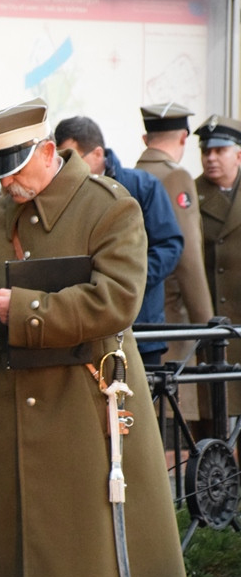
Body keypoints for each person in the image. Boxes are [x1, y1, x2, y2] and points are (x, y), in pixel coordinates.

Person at [0, 97, 193, 577]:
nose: (8, 185)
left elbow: (117, 299)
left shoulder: (110, 206)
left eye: (17, 170)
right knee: (25, 528)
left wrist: (22, 306)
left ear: (50, 152)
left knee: (106, 529)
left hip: (91, 394)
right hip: (19, 397)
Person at [54, 115, 183, 367]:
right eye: (61, 159)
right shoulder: (63, 193)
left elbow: (169, 246)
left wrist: (126, 282)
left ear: (98, 153)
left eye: (72, 158)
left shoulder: (142, 186)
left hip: (140, 324)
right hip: (84, 329)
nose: (65, 167)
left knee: (145, 403)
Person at [136, 102, 214, 427]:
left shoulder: (131, 176)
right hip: (170, 321)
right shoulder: (176, 176)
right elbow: (188, 256)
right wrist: (207, 326)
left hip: (136, 315)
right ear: (184, 137)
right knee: (175, 429)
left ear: (145, 138)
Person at [194, 115, 241, 420]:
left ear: (238, 154)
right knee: (214, 415)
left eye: (219, 151)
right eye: (205, 151)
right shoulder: (191, 193)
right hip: (212, 322)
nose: (210, 158)